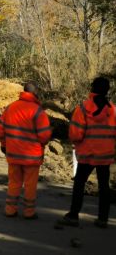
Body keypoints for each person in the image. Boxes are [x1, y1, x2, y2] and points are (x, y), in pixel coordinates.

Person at [58, 77, 116, 228]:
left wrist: (77, 143)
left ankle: (73, 215)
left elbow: (76, 134)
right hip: (105, 155)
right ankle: (103, 219)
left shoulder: (83, 109)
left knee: (79, 183)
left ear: (92, 89)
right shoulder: (113, 110)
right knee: (104, 187)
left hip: (87, 154)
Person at [0, 83, 52, 219]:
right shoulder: (38, 111)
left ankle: (10, 210)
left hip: (13, 154)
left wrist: (4, 144)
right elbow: (44, 135)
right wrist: (42, 144)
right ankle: (29, 212)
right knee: (30, 184)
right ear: (36, 93)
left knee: (14, 182)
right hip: (32, 156)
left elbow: (0, 128)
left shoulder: (11, 107)